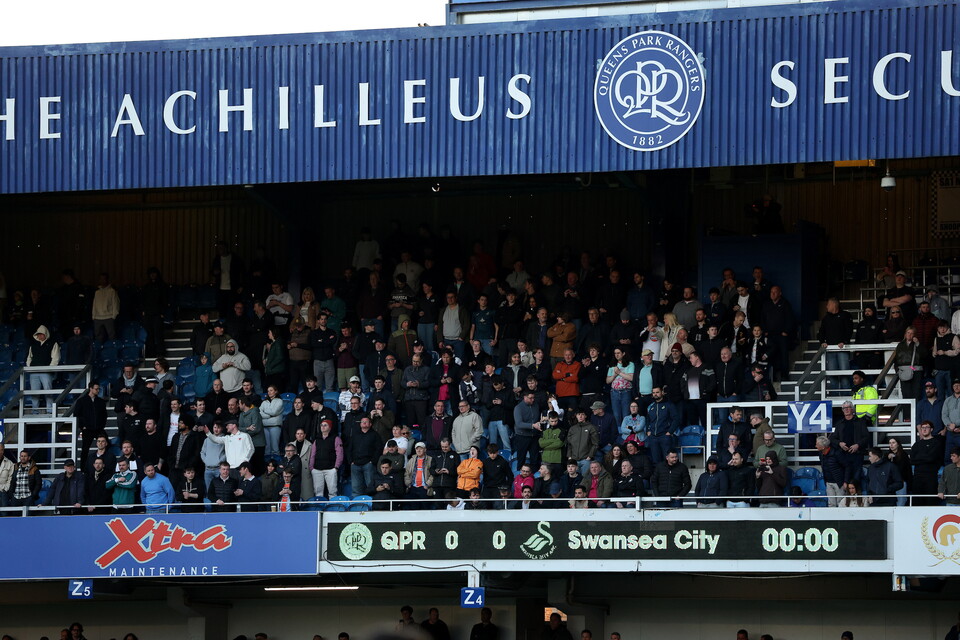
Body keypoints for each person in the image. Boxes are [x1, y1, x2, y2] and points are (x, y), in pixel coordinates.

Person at [911, 420, 945, 505]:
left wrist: (920, 458)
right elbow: (912, 460)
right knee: (917, 502)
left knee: (931, 501)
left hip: (931, 476)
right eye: (922, 427)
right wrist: (926, 457)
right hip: (917, 477)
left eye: (927, 427)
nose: (924, 429)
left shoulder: (937, 443)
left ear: (932, 429)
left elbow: (932, 458)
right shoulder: (917, 444)